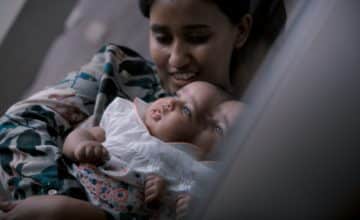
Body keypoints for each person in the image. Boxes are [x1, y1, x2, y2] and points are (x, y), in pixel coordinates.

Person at [0, 0, 254, 219]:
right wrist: (63, 201)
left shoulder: (251, 133)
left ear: (241, 30)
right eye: (162, 38)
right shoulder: (117, 71)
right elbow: (16, 127)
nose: (176, 59)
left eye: (197, 37)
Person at [62, 81, 242, 219]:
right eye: (177, 95)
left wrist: (188, 207)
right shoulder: (128, 123)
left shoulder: (199, 177)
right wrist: (81, 146)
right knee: (53, 211)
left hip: (112, 216)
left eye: (187, 110)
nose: (170, 102)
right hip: (79, 191)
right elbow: (79, 136)